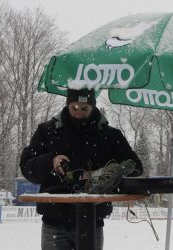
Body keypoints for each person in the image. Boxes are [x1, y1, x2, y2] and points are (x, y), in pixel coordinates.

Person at [20, 88, 143, 250]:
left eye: (84, 109)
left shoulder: (110, 135)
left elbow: (135, 167)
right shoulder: (47, 131)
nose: (78, 113)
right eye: (74, 108)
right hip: (54, 222)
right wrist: (50, 161)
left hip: (92, 221)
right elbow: (27, 167)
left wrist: (102, 175)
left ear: (93, 107)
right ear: (67, 104)